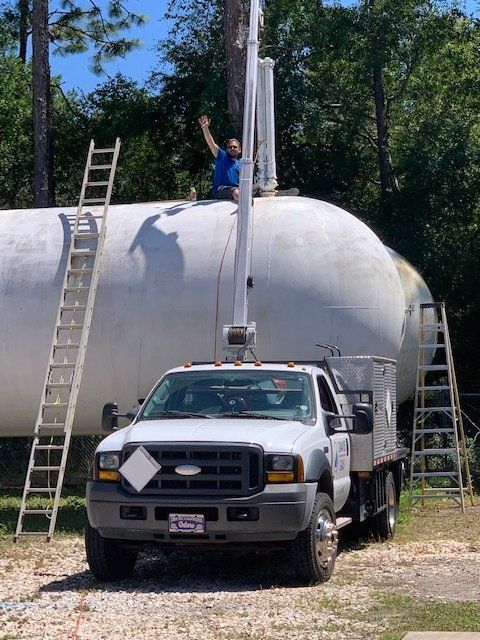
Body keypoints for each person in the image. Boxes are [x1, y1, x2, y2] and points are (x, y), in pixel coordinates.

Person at [198, 115, 299, 201]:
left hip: (240, 189)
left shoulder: (240, 163)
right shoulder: (222, 157)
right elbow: (212, 144)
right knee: (235, 191)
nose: (232, 148)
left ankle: (281, 193)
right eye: (230, 147)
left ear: (239, 150)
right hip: (222, 190)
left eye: (235, 147)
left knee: (261, 186)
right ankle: (245, 201)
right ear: (226, 149)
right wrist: (205, 129)